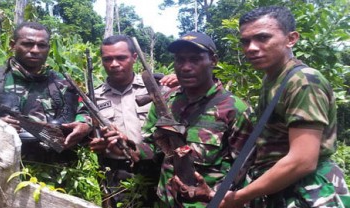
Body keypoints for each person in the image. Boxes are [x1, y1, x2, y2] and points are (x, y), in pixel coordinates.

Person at [219, 6, 350, 208]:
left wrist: (240, 197)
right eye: (245, 41)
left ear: (291, 39)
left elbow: (302, 161)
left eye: (262, 38)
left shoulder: (303, 80)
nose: (251, 47)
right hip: (279, 189)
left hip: (307, 191)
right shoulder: (271, 81)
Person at [137, 31, 254, 207]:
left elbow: (244, 170)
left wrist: (215, 197)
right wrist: (128, 147)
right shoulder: (166, 101)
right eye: (180, 60)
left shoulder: (235, 109)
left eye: (195, 59)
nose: (185, 67)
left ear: (213, 61)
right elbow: (152, 147)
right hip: (166, 201)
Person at [84, 34, 178, 206]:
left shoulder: (158, 88)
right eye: (108, 59)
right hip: (115, 173)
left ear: (134, 57)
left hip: (155, 169)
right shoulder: (93, 97)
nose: (114, 64)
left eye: (121, 58)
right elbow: (86, 128)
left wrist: (181, 83)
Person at [0, 22, 91, 164]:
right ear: (13, 45)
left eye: (42, 45)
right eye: (27, 44)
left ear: (48, 48)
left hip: (56, 171)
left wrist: (83, 125)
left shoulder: (63, 83)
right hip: (4, 168)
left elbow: (86, 112)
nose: (35, 50)